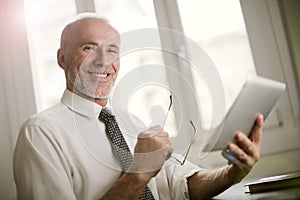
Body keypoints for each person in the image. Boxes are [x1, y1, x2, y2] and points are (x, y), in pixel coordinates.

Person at [13, 14, 263, 200]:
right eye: (89, 48)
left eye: (112, 50)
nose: (103, 61)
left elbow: (184, 184)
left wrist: (233, 172)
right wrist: (139, 172)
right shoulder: (40, 133)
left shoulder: (131, 123)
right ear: (62, 59)